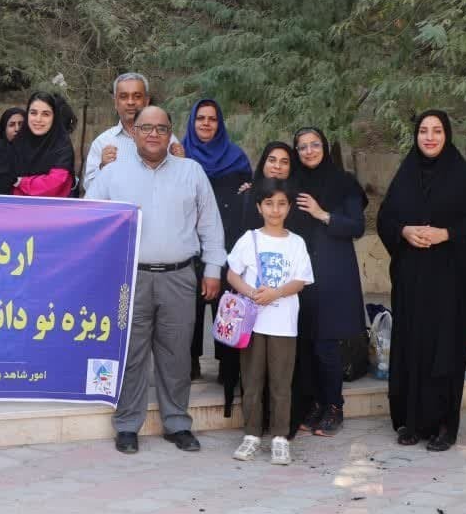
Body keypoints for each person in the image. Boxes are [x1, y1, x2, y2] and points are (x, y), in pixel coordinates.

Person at [87, 105, 226, 455]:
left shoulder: (191, 171)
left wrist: (213, 269)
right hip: (129, 278)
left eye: (161, 128)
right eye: (146, 127)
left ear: (170, 133)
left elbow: (210, 225)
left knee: (176, 354)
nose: (153, 134)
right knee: (131, 354)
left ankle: (177, 423)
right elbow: (89, 218)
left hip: (180, 277)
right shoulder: (112, 174)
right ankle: (127, 425)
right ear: (134, 132)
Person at [377, 111, 466, 451]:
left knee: (445, 348)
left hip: (450, 282)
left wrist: (447, 233)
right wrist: (404, 231)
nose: (429, 137)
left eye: (437, 130)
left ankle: (444, 425)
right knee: (411, 345)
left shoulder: (463, 177)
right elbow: (385, 218)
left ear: (447, 135)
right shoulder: (406, 175)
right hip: (411, 280)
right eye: (423, 131)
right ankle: (410, 422)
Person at [286, 126, 367, 439]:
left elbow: (356, 226)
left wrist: (322, 214)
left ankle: (334, 406)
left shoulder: (343, 183)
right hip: (299, 273)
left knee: (326, 344)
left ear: (325, 147)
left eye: (315, 145)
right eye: (302, 147)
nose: (309, 151)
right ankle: (315, 403)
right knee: (306, 344)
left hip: (332, 272)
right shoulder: (293, 182)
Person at [226, 178, 314, 465]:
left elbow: (300, 281)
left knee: (281, 383)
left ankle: (279, 438)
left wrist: (275, 293)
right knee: (251, 381)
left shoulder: (296, 243)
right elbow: (232, 274)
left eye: (281, 204)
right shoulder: (249, 239)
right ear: (259, 207)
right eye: (269, 204)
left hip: (283, 325)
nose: (275, 210)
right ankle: (251, 435)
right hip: (251, 325)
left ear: (289, 207)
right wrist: (251, 292)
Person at [183, 99, 251, 381]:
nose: (206, 123)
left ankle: (227, 363)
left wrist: (249, 190)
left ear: (220, 123)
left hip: (228, 239)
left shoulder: (236, 157)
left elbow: (248, 192)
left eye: (212, 119)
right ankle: (190, 361)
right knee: (190, 304)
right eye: (201, 118)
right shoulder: (180, 155)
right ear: (192, 122)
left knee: (226, 303)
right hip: (189, 240)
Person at [82, 72, 183, 192]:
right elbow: (89, 188)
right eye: (124, 97)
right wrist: (103, 167)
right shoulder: (103, 142)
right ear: (115, 102)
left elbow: (182, 188)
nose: (130, 102)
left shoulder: (167, 140)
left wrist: (179, 164)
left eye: (137, 96)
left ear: (146, 101)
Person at [10, 92, 76, 198]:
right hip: (16, 206)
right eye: (33, 113)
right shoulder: (18, 142)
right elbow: (4, 180)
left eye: (45, 114)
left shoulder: (62, 146)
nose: (38, 119)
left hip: (52, 207)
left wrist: (21, 182)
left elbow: (55, 184)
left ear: (54, 117)